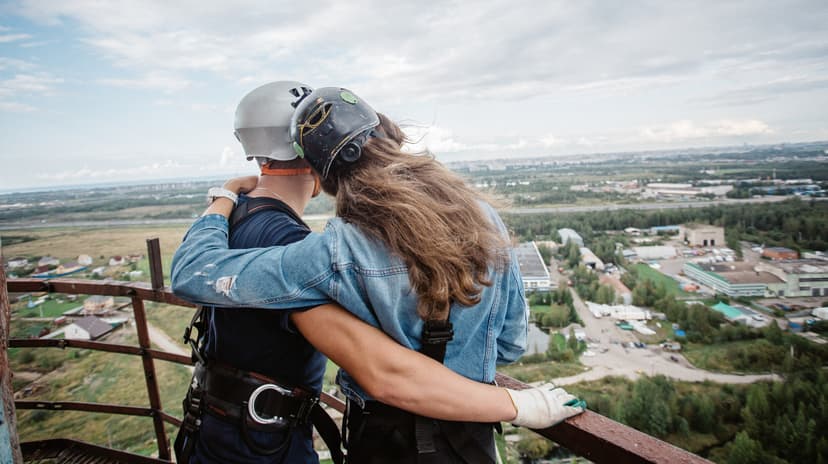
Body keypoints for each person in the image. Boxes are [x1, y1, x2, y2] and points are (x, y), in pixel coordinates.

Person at [172, 86, 585, 463]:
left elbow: (194, 273)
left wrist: (225, 196)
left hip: (381, 439)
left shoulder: (337, 250)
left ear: (323, 176)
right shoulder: (484, 217)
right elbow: (509, 343)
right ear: (389, 136)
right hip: (468, 436)